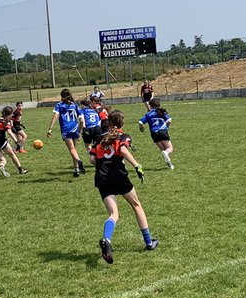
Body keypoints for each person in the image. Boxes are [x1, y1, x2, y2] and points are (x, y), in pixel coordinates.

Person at [89, 110, 157, 263]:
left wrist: (103, 162)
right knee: (136, 205)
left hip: (102, 179)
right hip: (119, 177)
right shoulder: (123, 136)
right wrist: (137, 166)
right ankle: (148, 242)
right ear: (122, 123)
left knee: (114, 214)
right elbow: (124, 150)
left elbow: (92, 160)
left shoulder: (99, 138)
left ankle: (107, 239)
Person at [46, 88, 86, 176]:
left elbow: (56, 116)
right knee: (74, 149)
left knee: (71, 149)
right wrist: (79, 132)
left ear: (62, 96)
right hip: (75, 128)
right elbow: (82, 120)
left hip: (66, 129)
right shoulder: (74, 105)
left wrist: (50, 129)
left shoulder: (59, 105)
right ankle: (76, 170)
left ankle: (79, 161)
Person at [0, 106, 28, 177]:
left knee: (3, 160)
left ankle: (2, 165)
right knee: (12, 154)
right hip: (0, 141)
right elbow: (9, 132)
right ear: (9, 114)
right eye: (11, 114)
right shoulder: (6, 121)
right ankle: (21, 170)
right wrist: (16, 141)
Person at [138, 98, 175, 169]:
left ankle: (170, 165)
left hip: (154, 133)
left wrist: (141, 128)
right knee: (169, 148)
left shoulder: (148, 114)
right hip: (162, 131)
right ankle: (167, 155)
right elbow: (169, 120)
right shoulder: (161, 112)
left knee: (163, 150)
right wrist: (166, 127)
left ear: (150, 106)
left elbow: (140, 122)